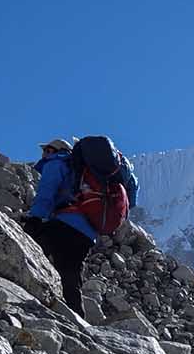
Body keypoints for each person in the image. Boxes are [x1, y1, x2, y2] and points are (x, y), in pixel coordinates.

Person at [25, 134, 140, 312]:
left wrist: (34, 219)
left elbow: (46, 193)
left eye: (47, 150)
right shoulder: (87, 172)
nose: (44, 155)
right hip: (88, 233)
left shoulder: (57, 163)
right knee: (71, 274)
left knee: (30, 252)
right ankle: (78, 320)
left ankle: (22, 294)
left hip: (65, 223)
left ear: (57, 151)